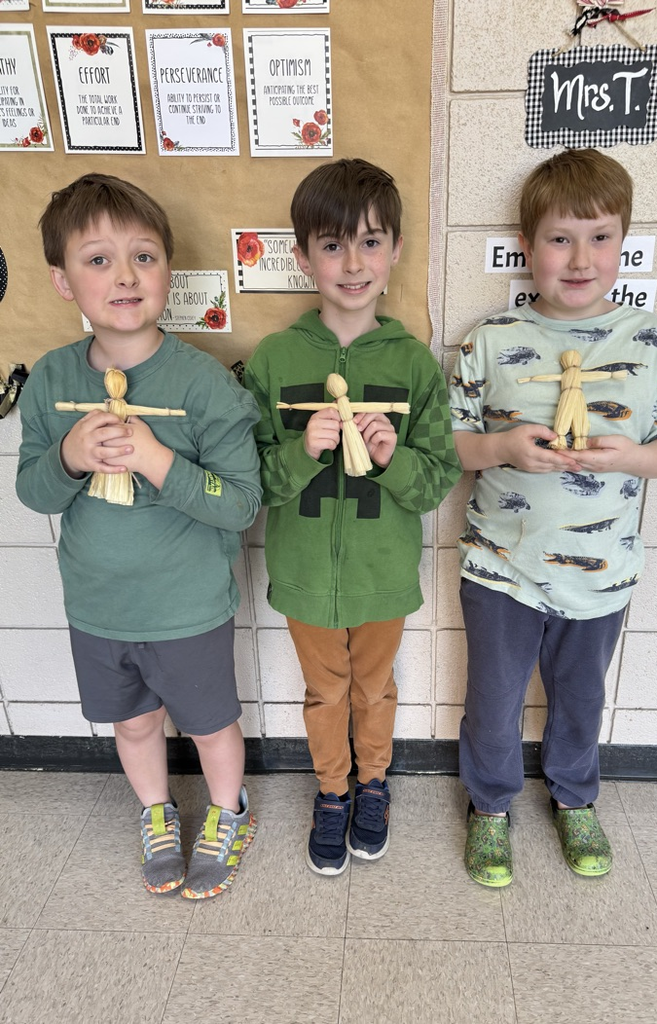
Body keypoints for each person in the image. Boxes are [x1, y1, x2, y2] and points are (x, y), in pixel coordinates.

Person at [449, 149, 657, 887]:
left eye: (600, 236)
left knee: (581, 697)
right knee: (493, 699)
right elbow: (449, 448)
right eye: (560, 238)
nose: (580, 258)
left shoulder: (650, 341)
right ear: (528, 247)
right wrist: (503, 448)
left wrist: (629, 459)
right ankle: (489, 806)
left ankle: (574, 795)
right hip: (502, 567)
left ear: (625, 243)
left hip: (606, 571)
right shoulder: (488, 340)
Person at [16, 174, 262, 899]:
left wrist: (159, 461)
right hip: (97, 607)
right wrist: (68, 457)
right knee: (131, 725)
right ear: (62, 281)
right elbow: (33, 490)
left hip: (186, 608)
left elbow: (242, 504)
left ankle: (228, 811)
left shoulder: (206, 387)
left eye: (144, 256)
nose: (124, 276)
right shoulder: (51, 381)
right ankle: (156, 811)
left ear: (170, 273)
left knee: (213, 727)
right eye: (97, 260)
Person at [245, 158, 461, 875]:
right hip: (306, 573)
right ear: (303, 256)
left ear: (396, 250)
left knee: (374, 688)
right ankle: (332, 792)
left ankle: (374, 785)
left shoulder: (415, 364)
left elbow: (434, 482)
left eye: (371, 241)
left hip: (382, 575)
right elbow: (251, 484)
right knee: (324, 691)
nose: (352, 262)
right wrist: (303, 452)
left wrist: (393, 455)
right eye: (332, 244)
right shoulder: (273, 360)